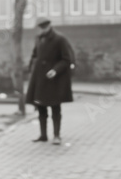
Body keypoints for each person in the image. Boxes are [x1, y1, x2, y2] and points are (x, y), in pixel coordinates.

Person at [26, 17, 75, 145]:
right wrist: (30, 68)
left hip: (54, 80)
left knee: (55, 108)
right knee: (41, 107)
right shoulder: (38, 38)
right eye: (40, 27)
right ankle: (43, 135)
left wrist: (55, 70)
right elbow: (35, 55)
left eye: (44, 27)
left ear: (49, 26)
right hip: (39, 79)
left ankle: (57, 135)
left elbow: (66, 59)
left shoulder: (60, 39)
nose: (42, 29)